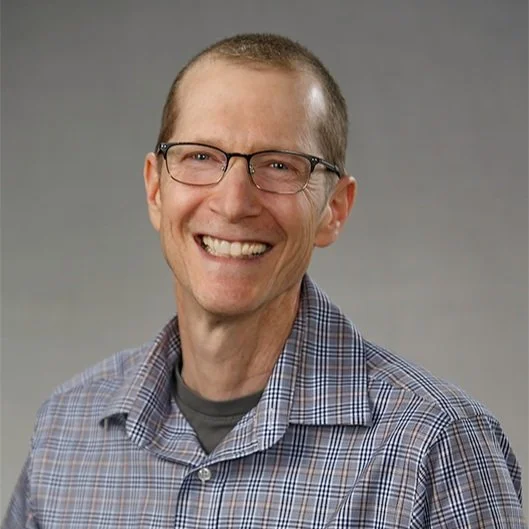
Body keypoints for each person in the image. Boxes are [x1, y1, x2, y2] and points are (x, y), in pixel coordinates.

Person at [3, 33, 525, 528]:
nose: (233, 203)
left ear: (334, 209)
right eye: (201, 156)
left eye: (278, 165)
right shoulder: (65, 432)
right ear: (156, 189)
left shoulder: (438, 447)